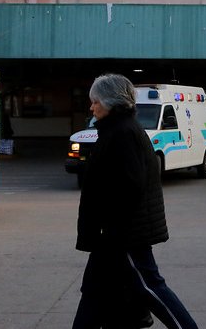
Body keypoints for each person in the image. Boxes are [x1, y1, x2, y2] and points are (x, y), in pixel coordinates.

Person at [73, 73, 198, 329]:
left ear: (109, 102)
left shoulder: (123, 133)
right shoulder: (116, 130)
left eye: (95, 101)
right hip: (112, 233)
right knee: (93, 291)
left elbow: (130, 187)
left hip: (123, 234)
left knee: (150, 287)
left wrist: (111, 229)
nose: (91, 106)